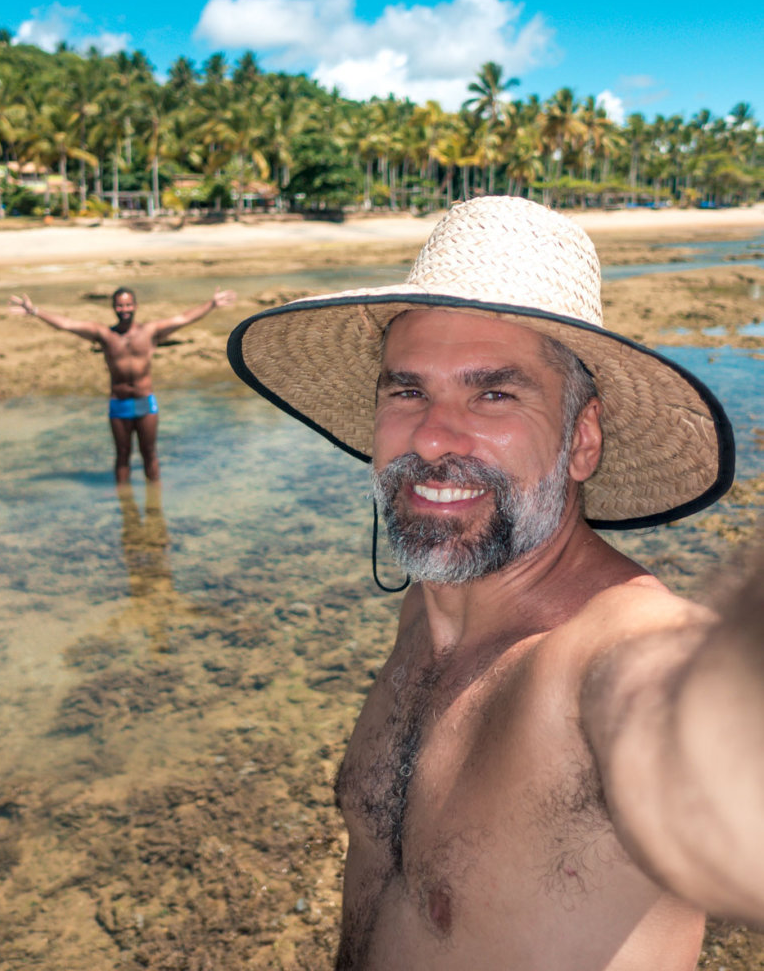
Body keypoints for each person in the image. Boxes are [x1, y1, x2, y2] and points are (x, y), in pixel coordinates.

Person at [226, 196, 764, 970]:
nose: (434, 436)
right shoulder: (433, 603)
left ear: (582, 440)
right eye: (406, 390)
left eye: (493, 393)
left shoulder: (616, 653)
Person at [9, 285, 234, 483]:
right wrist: (35, 311)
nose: (124, 310)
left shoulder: (150, 331)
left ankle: (155, 502)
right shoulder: (105, 335)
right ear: (113, 308)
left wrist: (211, 304)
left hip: (145, 402)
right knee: (122, 454)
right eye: (119, 306)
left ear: (135, 306)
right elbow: (67, 324)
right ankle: (123, 503)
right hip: (119, 403)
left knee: (150, 453)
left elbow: (184, 318)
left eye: (127, 305)